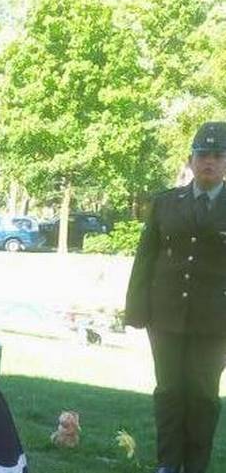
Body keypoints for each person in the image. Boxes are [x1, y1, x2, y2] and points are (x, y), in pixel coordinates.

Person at [125, 121, 226, 473]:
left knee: (203, 395)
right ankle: (167, 463)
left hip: (215, 321)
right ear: (191, 159)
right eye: (203, 154)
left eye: (218, 155)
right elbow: (146, 257)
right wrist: (136, 311)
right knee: (168, 391)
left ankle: (195, 465)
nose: (209, 161)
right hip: (165, 314)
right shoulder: (166, 202)